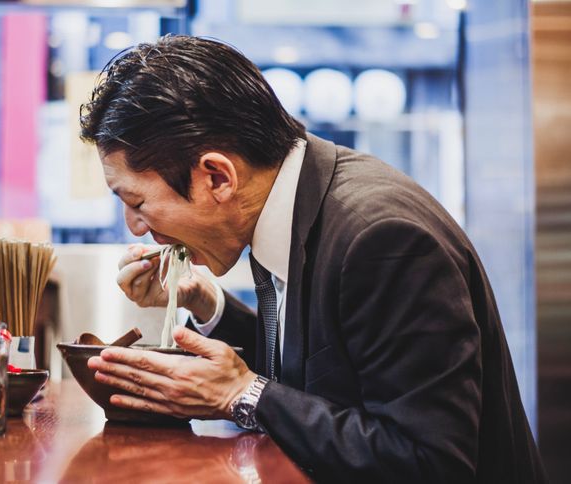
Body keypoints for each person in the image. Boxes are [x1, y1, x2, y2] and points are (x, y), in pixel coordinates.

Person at [81, 35, 547, 483]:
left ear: (218, 177)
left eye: (137, 203)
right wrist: (208, 305)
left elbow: (428, 462)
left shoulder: (382, 239)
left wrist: (243, 394)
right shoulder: (286, 201)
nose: (136, 227)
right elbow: (317, 370)